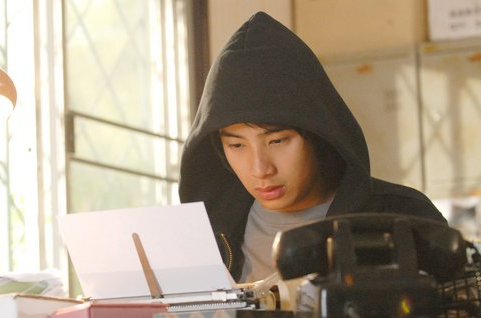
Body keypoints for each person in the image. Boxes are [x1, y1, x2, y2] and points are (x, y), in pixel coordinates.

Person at [178, 12, 446, 286]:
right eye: (236, 145)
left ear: (317, 134)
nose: (260, 168)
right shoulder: (203, 234)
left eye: (277, 141)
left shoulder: (401, 218)